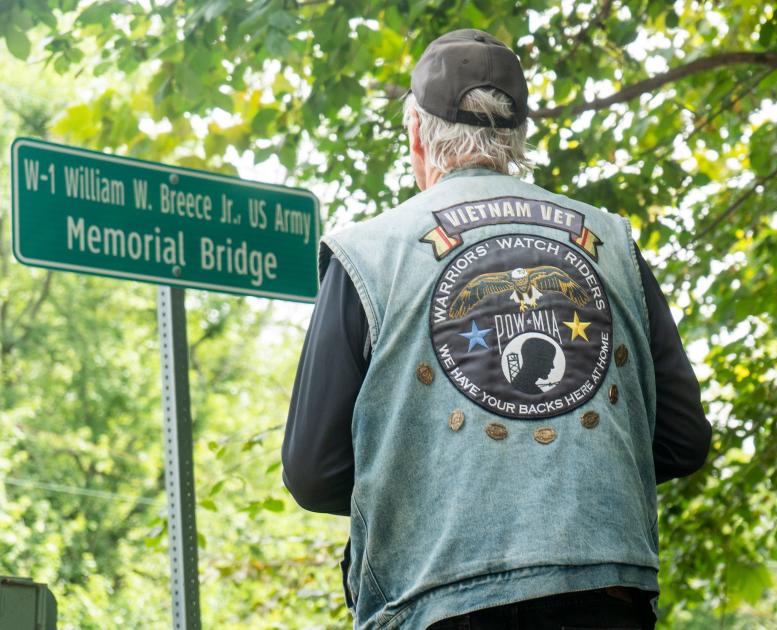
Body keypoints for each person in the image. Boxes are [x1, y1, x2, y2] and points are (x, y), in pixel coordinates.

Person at [282, 28, 712, 630]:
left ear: (416, 137)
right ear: (516, 138)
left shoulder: (367, 254)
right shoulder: (614, 243)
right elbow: (683, 440)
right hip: (607, 598)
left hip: (436, 605)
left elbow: (314, 474)